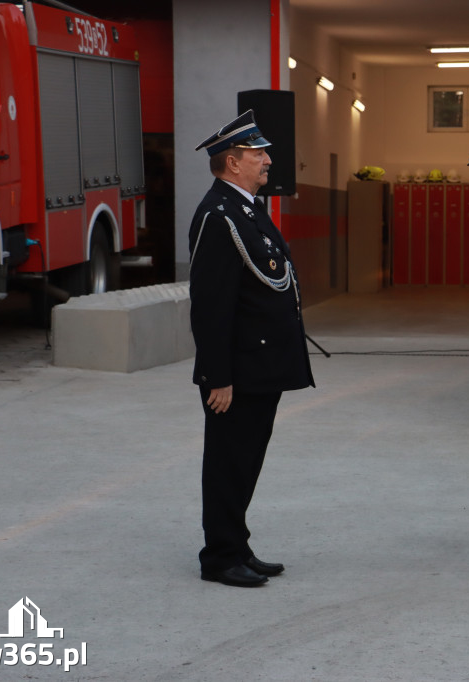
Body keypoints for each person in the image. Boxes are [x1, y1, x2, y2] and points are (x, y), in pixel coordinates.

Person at [188, 110, 314, 587]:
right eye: (258, 153)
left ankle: (237, 544)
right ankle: (220, 556)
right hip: (236, 371)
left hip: (259, 366)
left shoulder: (244, 209)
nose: (267, 160)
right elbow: (210, 303)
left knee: (246, 460)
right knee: (228, 462)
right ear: (233, 162)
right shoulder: (218, 214)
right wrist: (216, 374)